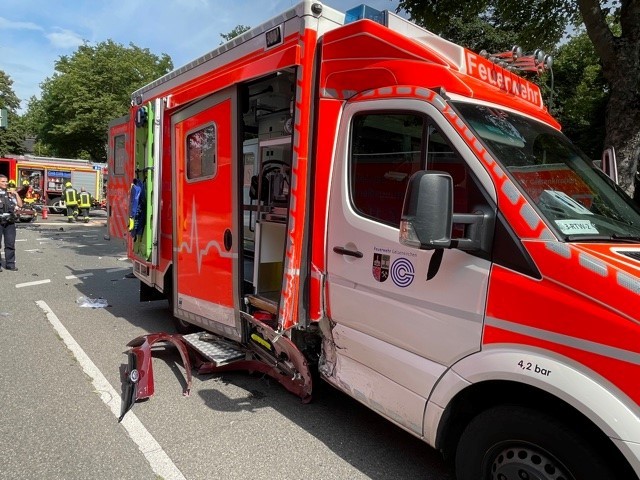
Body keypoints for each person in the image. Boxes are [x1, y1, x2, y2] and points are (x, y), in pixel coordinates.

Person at [0, 174, 23, 272]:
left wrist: (16, 194)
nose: (6, 183)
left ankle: (10, 264)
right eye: (3, 181)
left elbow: (20, 205)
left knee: (10, 243)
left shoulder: (10, 193)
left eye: (6, 181)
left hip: (9, 222)